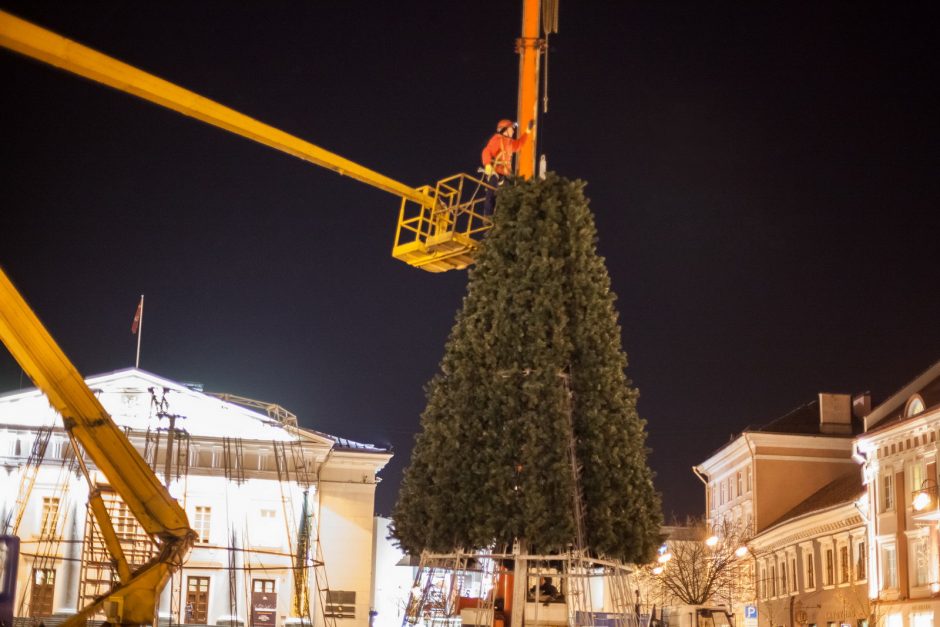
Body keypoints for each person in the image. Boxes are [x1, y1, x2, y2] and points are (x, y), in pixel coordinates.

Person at [480, 118, 534, 215]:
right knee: (491, 192)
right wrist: (487, 164)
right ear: (504, 130)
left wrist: (527, 131)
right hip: (495, 173)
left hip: (506, 175)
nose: (513, 130)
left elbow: (519, 144)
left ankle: (504, 216)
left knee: (508, 195)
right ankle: (487, 216)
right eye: (511, 128)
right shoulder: (496, 139)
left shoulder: (509, 143)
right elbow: (486, 151)